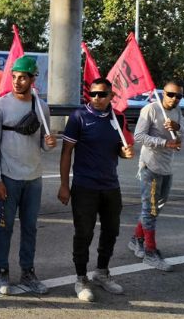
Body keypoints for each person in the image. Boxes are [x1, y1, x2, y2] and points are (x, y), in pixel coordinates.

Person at [59, 77, 134, 302]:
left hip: (111, 186)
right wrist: (64, 185)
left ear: (112, 96)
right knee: (84, 233)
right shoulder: (79, 117)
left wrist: (126, 153)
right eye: (93, 94)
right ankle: (81, 278)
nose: (97, 98)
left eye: (102, 94)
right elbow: (66, 153)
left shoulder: (117, 118)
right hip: (85, 186)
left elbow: (121, 149)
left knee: (111, 231)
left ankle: (102, 272)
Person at [0, 55, 56, 295]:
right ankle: (2, 271)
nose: (17, 82)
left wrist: (50, 142)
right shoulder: (0, 106)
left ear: (32, 79)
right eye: (14, 77)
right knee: (4, 227)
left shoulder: (41, 107)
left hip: (33, 178)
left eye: (22, 78)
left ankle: (28, 272)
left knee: (30, 227)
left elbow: (44, 145)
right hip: (7, 177)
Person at [129, 79, 184, 272]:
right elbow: (138, 136)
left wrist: (177, 128)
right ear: (164, 93)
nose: (174, 99)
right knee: (150, 209)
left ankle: (136, 239)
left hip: (167, 167)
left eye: (178, 96)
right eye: (171, 94)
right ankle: (150, 252)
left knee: (156, 207)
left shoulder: (177, 111)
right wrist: (164, 143)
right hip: (150, 166)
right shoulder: (151, 109)